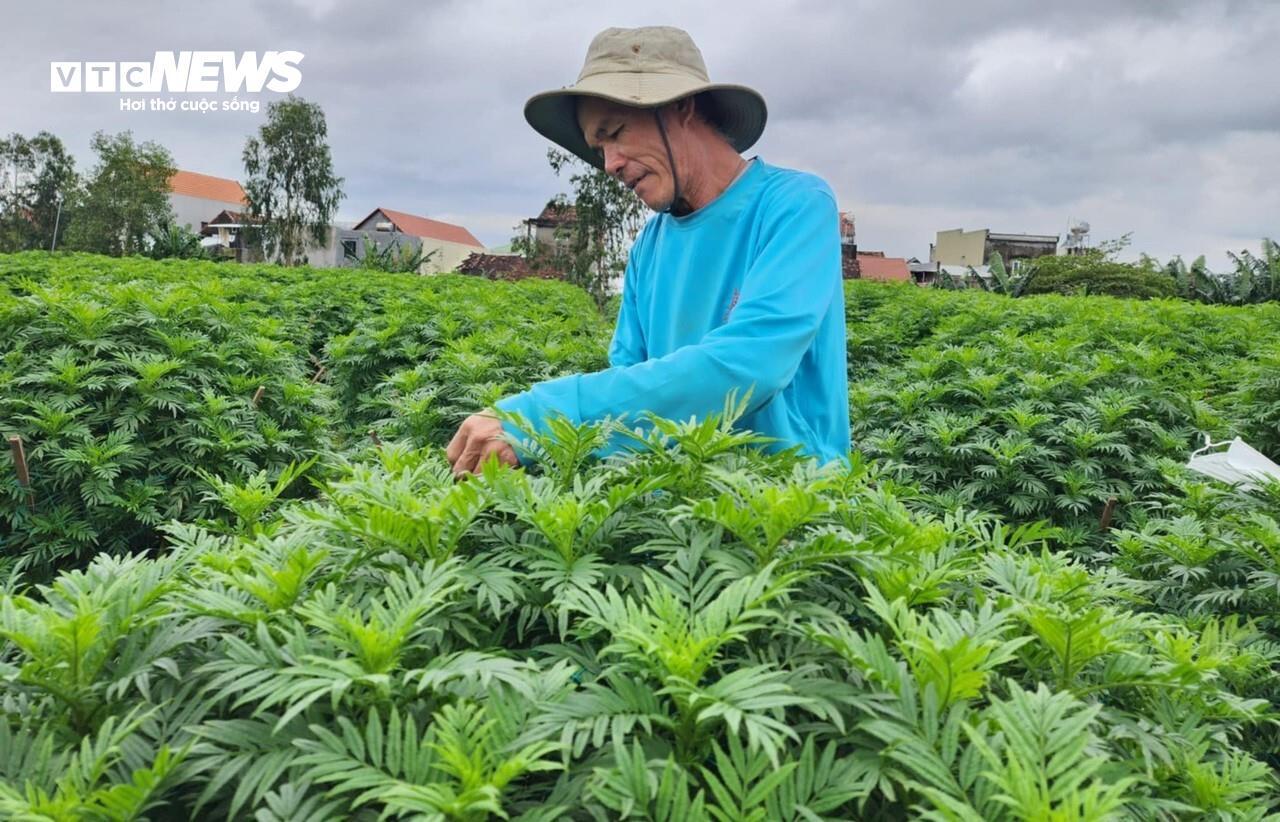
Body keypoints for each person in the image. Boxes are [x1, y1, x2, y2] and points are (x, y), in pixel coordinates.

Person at [447, 25, 849, 475]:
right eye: (600, 148)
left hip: (794, 519)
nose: (610, 164)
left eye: (615, 132)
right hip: (671, 517)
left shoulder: (795, 206)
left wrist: (540, 417)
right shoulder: (649, 248)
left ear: (682, 107)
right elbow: (631, 391)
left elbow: (749, 366)